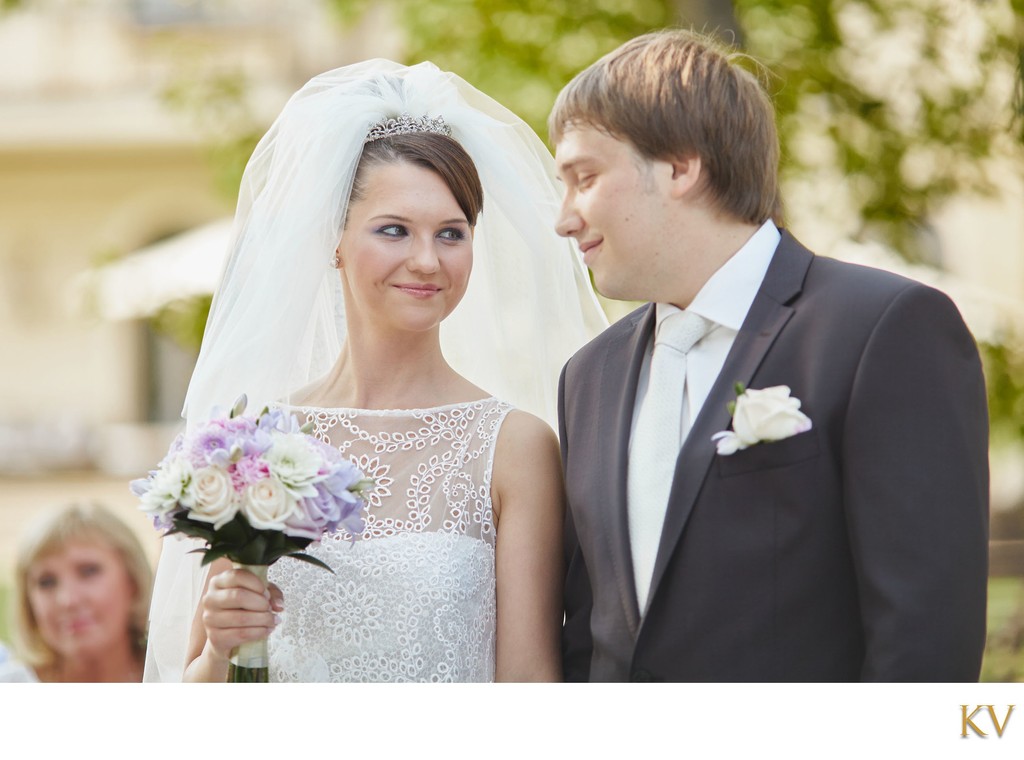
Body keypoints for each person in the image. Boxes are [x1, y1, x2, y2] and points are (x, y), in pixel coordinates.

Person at [144, 60, 608, 682]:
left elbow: (528, 686)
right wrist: (220, 651)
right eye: (394, 230)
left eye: (451, 233)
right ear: (334, 239)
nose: (426, 260)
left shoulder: (515, 447)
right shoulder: (254, 446)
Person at [551, 29, 989, 681]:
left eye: (583, 178)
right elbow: (593, 636)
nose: (564, 219)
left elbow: (924, 638)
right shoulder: (589, 376)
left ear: (679, 165)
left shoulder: (883, 329)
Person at [4, 502, 153, 682]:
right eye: (47, 582)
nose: (68, 600)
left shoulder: (175, 675)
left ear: (133, 581)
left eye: (88, 571)